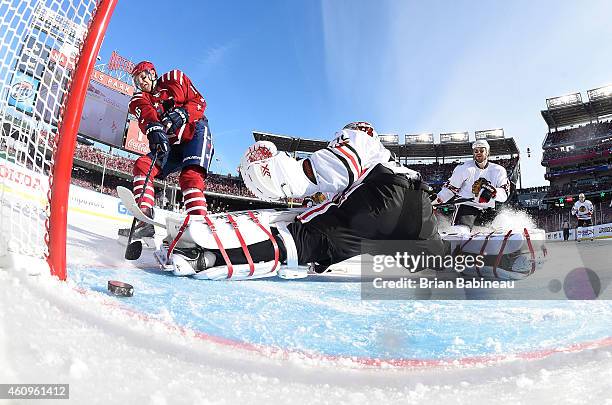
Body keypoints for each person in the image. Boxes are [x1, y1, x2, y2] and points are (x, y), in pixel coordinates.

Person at [156, 121, 442, 277]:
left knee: (298, 237)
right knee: (429, 262)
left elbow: (333, 167)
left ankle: (210, 256)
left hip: (380, 196)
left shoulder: (360, 136)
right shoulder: (391, 162)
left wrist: (283, 173)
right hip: (420, 211)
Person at [118, 61, 214, 239]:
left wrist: (184, 113)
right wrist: (153, 129)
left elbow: (199, 101)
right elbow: (146, 115)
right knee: (143, 165)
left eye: (144, 76)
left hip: (194, 133)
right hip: (171, 144)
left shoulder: (174, 78)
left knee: (190, 177)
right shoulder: (139, 99)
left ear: (153, 73)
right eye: (137, 80)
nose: (142, 82)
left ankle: (199, 226)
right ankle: (144, 219)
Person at [432, 139, 510, 234]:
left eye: (481, 150)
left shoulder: (499, 170)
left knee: (503, 222)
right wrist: (434, 203)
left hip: (488, 209)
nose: (478, 153)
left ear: (488, 152)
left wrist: (493, 192)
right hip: (467, 207)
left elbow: (504, 194)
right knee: (461, 232)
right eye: (476, 151)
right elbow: (450, 189)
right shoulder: (464, 168)